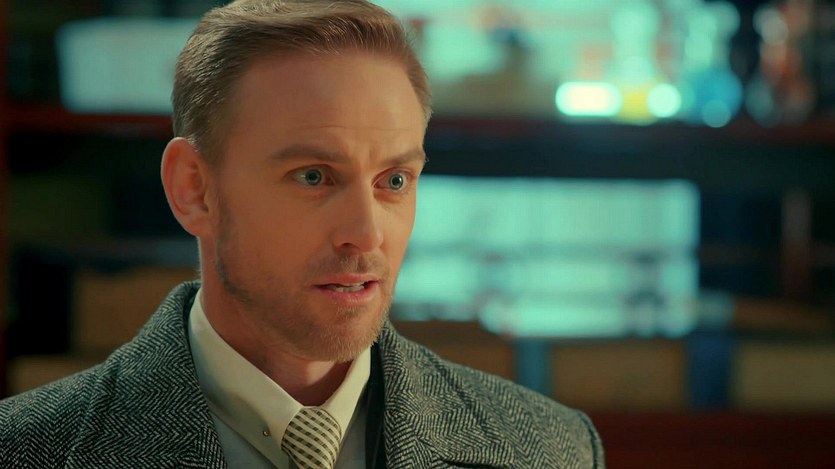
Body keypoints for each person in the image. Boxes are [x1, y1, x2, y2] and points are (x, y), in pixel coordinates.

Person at [0, 0, 605, 467]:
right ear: (194, 189)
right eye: (314, 176)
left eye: (394, 181)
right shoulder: (25, 450)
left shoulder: (552, 450)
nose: (365, 235)